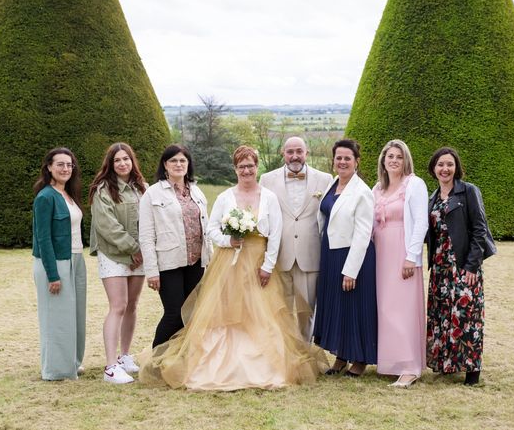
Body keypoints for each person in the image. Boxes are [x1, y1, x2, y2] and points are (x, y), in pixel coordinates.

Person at [139, 146, 326, 390]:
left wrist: (268, 266)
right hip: (230, 263)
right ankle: (215, 364)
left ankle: (265, 365)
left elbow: (276, 234)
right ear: (235, 169)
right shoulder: (225, 197)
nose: (246, 170)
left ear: (257, 168)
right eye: (241, 166)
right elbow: (212, 229)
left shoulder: (268, 197)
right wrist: (229, 240)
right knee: (226, 314)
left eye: (250, 166)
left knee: (260, 313)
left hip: (260, 264)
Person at [426, 147, 496, 385]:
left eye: (450, 164)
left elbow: (480, 230)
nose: (445, 169)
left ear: (456, 167)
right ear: (433, 168)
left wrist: (472, 267)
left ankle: (471, 370)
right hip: (439, 267)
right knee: (444, 315)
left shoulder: (468, 192)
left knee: (467, 316)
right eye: (440, 165)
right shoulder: (432, 198)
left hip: (463, 263)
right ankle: (447, 364)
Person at [313, 139, 377, 377]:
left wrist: (351, 270)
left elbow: (363, 233)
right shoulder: (332, 185)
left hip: (352, 256)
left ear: (356, 162)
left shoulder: (362, 192)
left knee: (355, 307)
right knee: (337, 306)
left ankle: (359, 359)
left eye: (347, 158)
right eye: (338, 157)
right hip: (330, 253)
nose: (342, 162)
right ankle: (341, 356)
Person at [259, 136, 333, 340]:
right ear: (283, 153)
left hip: (310, 256)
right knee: (279, 311)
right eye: (290, 151)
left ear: (306, 153)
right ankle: (282, 356)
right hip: (279, 255)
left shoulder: (325, 179)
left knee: (306, 312)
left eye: (299, 151)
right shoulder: (266, 180)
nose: (295, 156)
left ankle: (305, 354)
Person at [138, 144, 212, 350]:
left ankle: (181, 358)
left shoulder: (196, 191)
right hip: (169, 263)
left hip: (196, 262)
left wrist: (211, 260)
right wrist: (152, 272)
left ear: (188, 164)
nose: (178, 164)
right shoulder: (152, 194)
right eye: (173, 161)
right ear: (165, 165)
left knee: (191, 314)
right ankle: (155, 359)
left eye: (183, 160)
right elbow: (145, 236)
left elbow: (205, 228)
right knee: (174, 314)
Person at [89, 143, 148, 384]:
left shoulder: (142, 188)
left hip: (139, 256)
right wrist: (132, 248)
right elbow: (107, 226)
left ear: (132, 161)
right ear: (110, 165)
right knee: (118, 306)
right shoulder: (102, 190)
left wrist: (143, 250)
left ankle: (124, 357)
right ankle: (111, 366)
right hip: (114, 254)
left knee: (132, 305)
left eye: (126, 159)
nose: (122, 163)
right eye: (117, 160)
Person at [372, 140, 428, 388]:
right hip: (381, 253)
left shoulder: (414, 184)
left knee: (404, 308)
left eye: (399, 157)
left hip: (402, 252)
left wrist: (411, 256)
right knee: (386, 308)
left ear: (406, 161)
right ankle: (391, 362)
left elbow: (420, 223)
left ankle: (410, 367)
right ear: (383, 160)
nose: (394, 160)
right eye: (390, 156)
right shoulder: (377, 188)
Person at [32, 147, 86, 380]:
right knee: (57, 317)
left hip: (76, 259)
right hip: (55, 262)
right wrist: (53, 275)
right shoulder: (45, 197)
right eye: (60, 164)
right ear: (49, 167)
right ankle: (56, 369)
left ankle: (72, 362)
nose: (66, 169)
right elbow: (42, 238)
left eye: (69, 165)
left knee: (75, 315)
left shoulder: (69, 194)